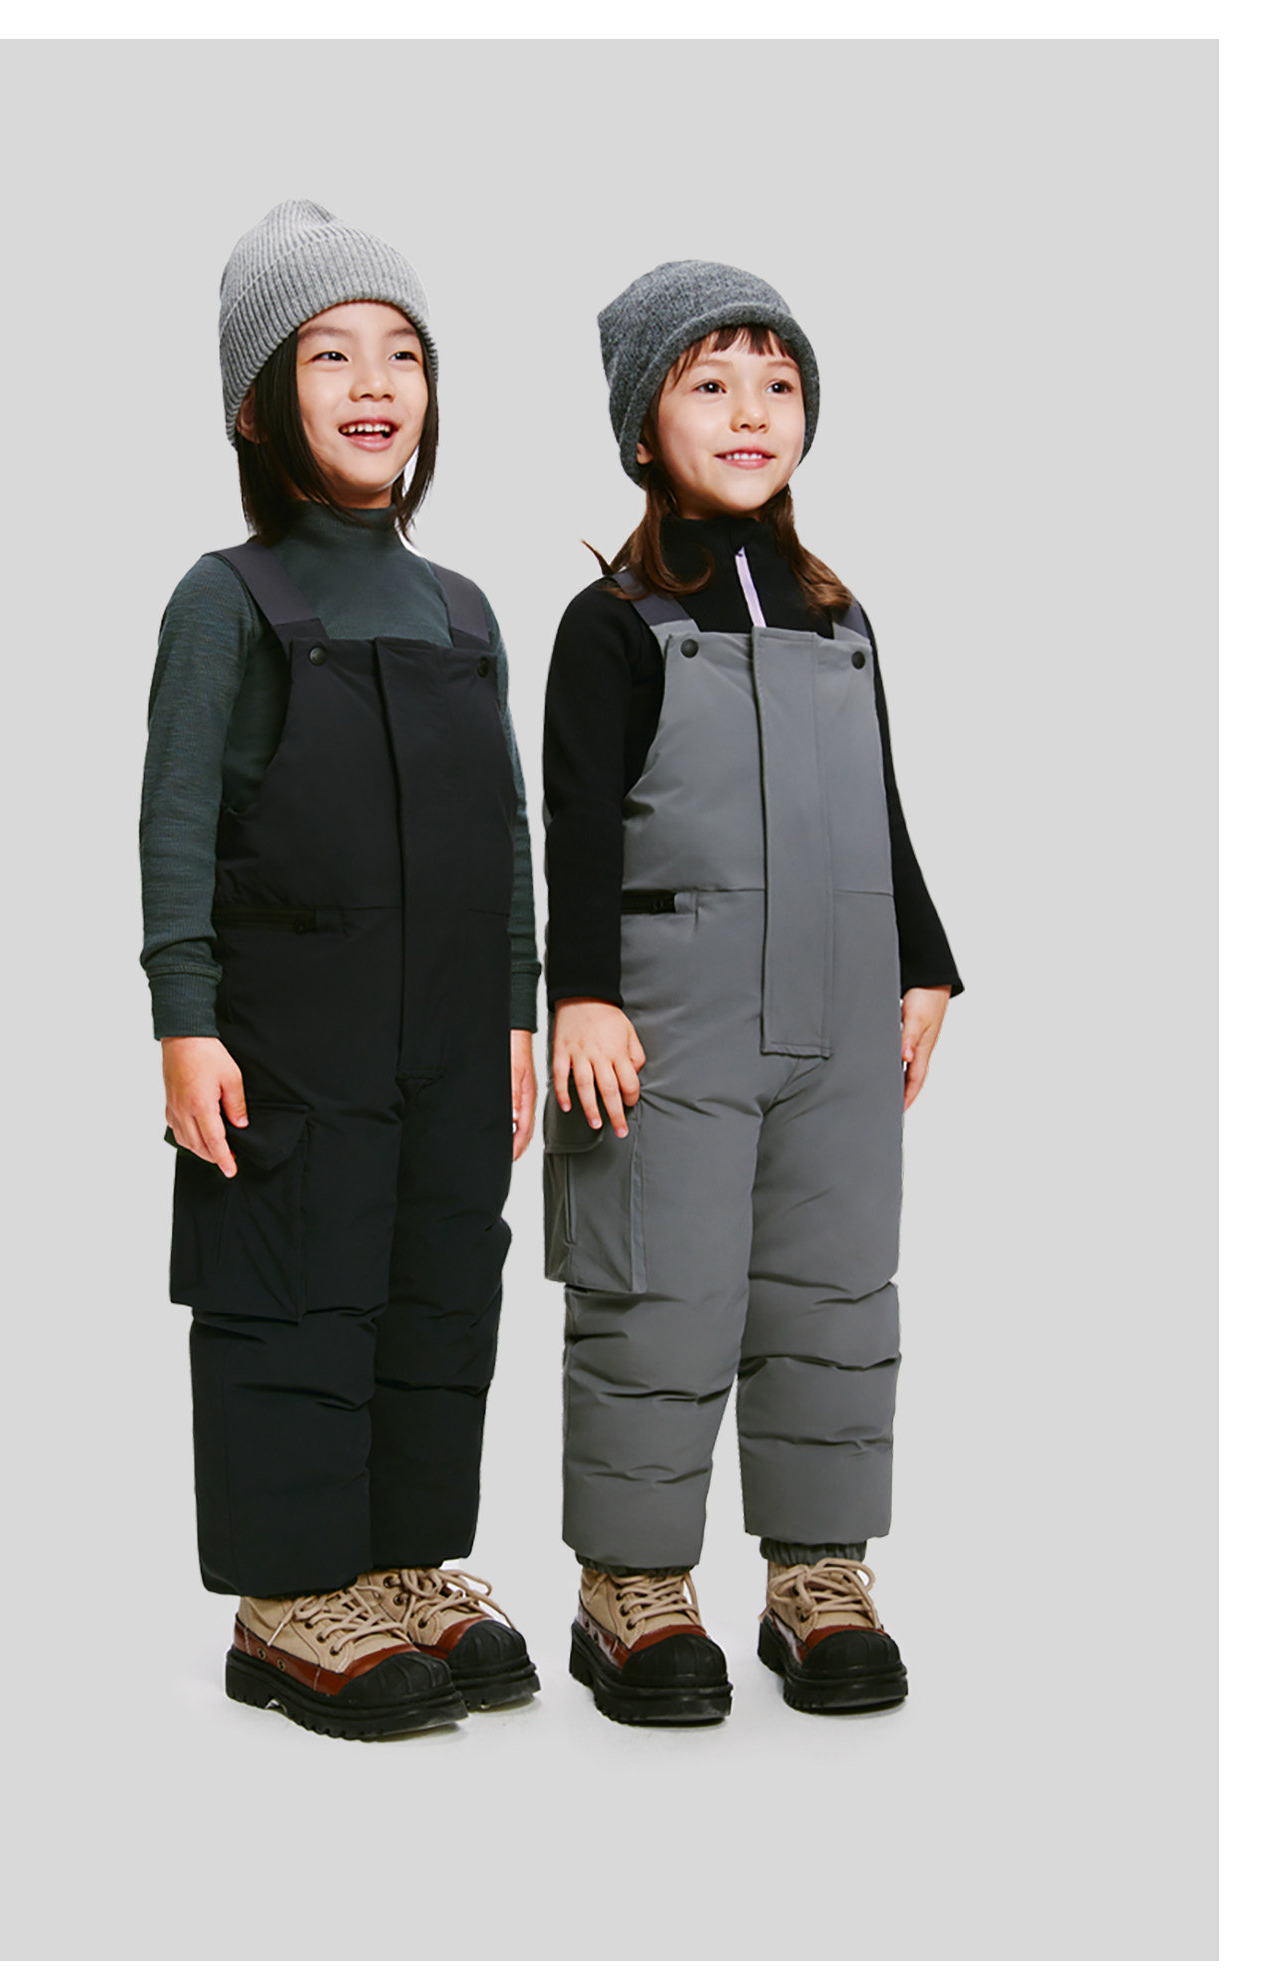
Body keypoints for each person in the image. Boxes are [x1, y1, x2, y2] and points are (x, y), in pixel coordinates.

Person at [542, 259, 963, 1725]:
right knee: (659, 1290)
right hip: (670, 1019)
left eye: (778, 385)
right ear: (641, 429)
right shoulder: (611, 622)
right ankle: (634, 1586)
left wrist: (926, 959)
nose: (751, 413)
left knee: (833, 1290)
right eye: (710, 384)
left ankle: (818, 1576)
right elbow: (576, 824)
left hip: (843, 1015)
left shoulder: (841, 616)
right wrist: (582, 995)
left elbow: (880, 802)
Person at [140, 200, 540, 1740]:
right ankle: (288, 1597)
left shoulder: (463, 609)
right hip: (292, 1039)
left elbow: (508, 829)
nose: (376, 384)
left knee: (439, 1284)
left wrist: (518, 1006)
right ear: (258, 404)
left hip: (453, 1037)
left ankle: (400, 1561)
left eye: (402, 353)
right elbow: (178, 815)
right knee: (297, 1286)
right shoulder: (227, 599)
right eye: (329, 355)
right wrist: (183, 1017)